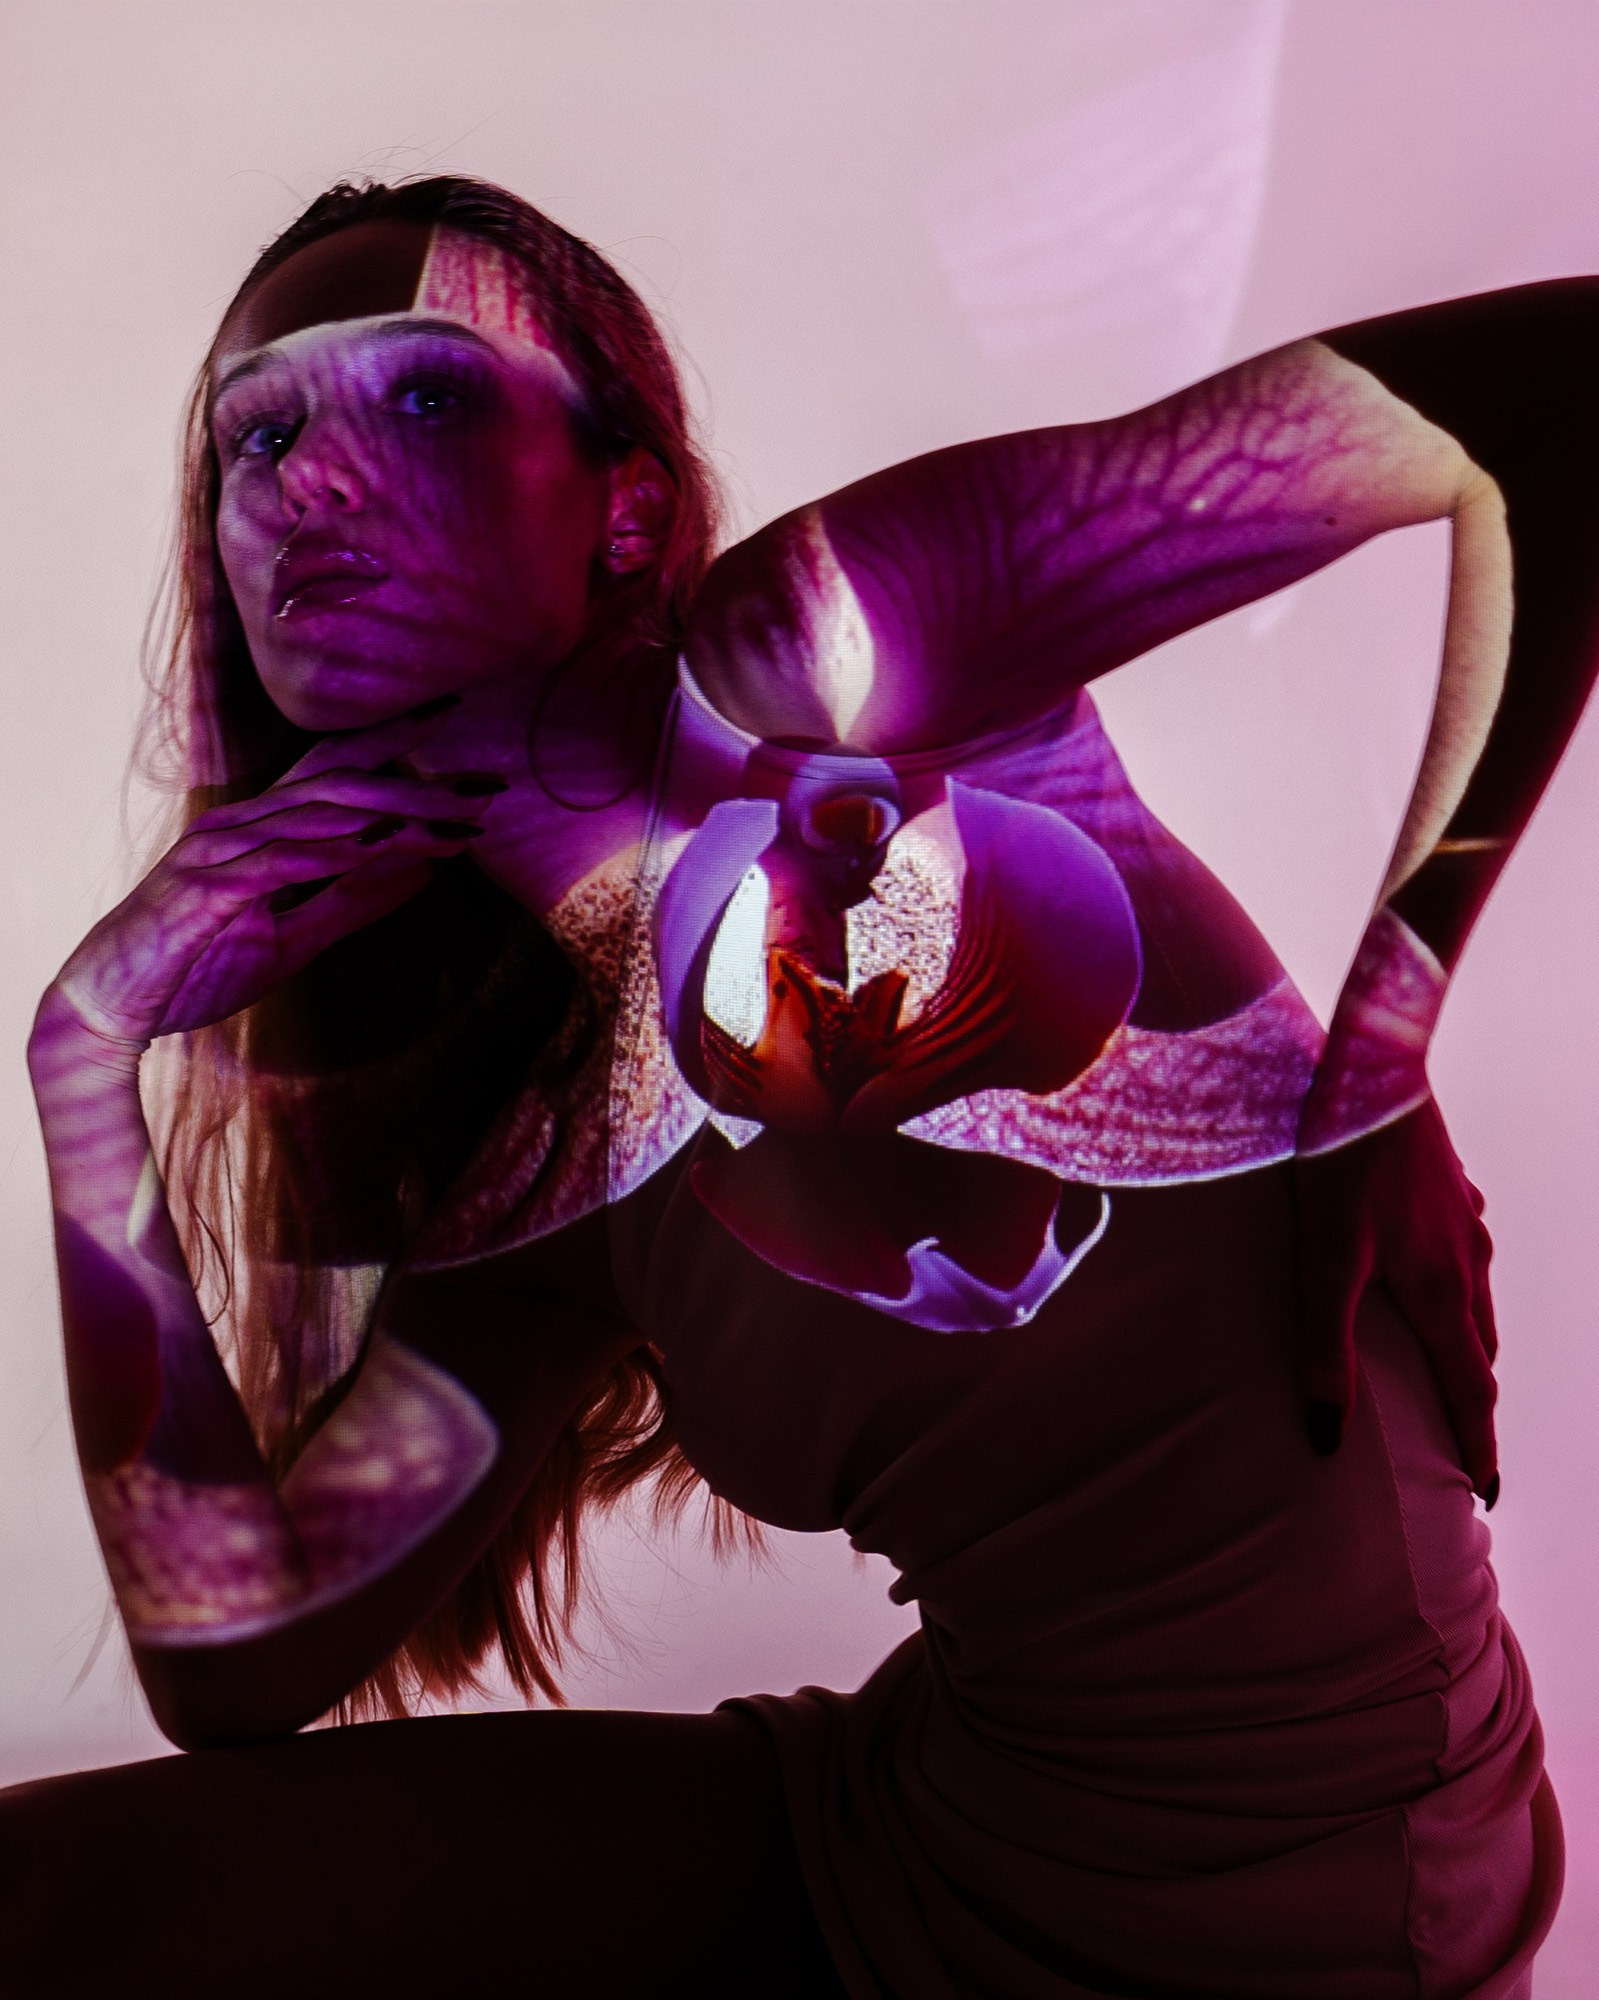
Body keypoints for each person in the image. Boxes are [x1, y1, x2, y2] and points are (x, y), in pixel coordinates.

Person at [6, 172, 1589, 1996]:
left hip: (1335, 1903)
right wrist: (84, 1052)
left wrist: (1380, 1057)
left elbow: (1561, 393)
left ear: (628, 507)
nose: (312, 480)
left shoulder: (837, 647)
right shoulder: (541, 1175)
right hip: (941, 1842)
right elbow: (234, 1660)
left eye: (424, 392)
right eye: (256, 438)